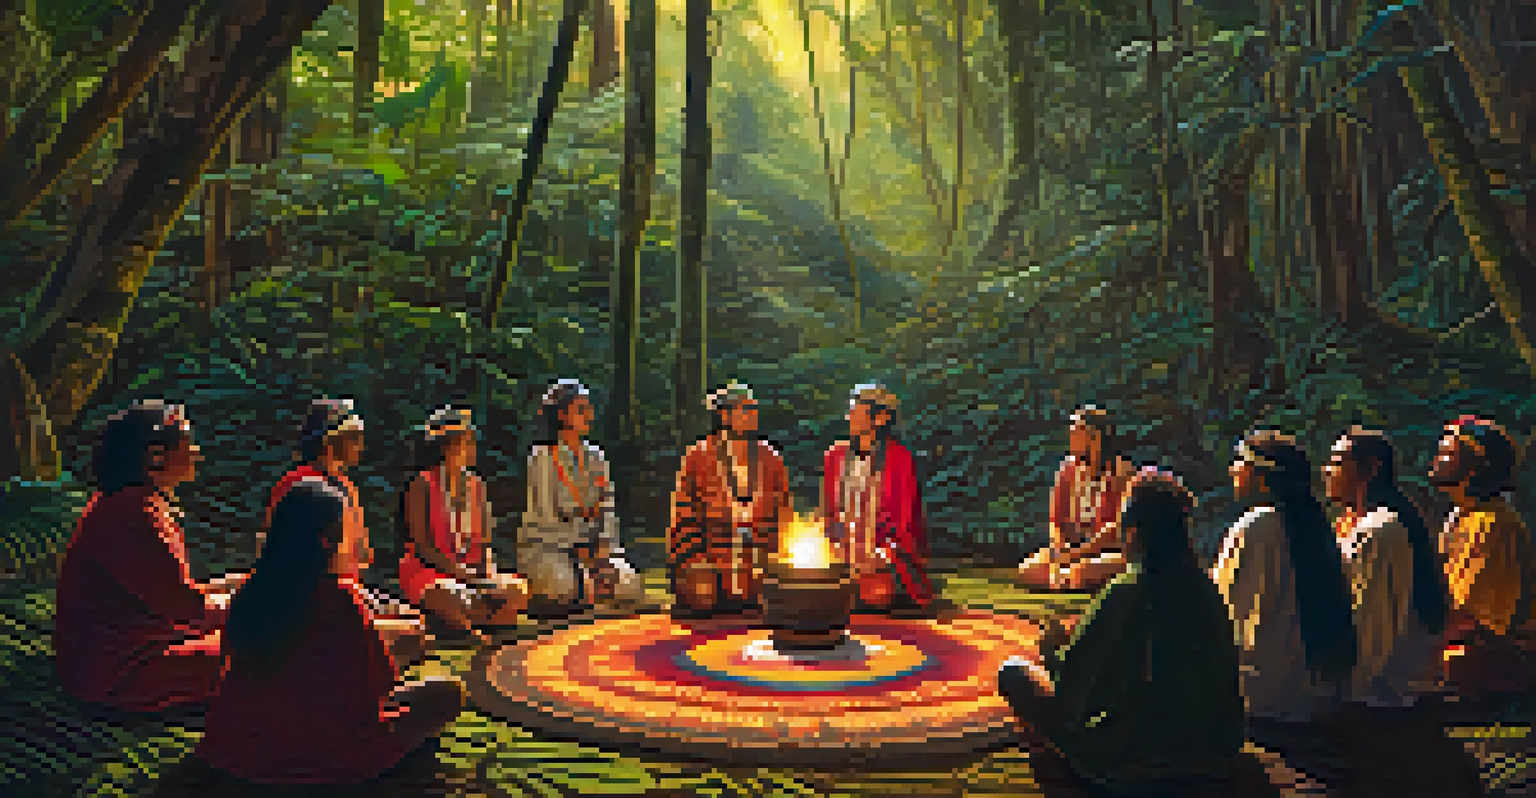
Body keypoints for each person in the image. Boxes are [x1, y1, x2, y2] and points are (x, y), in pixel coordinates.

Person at [199, 479, 463, 784]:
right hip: (319, 751)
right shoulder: (339, 598)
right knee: (447, 693)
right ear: (327, 539)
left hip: (240, 744)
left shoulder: (252, 590)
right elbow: (380, 684)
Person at [997, 470, 1244, 794]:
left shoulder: (1126, 591)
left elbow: (1073, 692)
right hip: (1213, 759)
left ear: (1134, 531)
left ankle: (1058, 770)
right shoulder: (1207, 591)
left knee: (1014, 673)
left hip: (1128, 763)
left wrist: (1052, 650)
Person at [54, 400, 248, 712]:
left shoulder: (128, 504)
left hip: (129, 653)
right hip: (121, 673)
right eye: (188, 442)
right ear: (155, 457)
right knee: (269, 646)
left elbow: (172, 596)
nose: (197, 451)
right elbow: (186, 608)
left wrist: (236, 586)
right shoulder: (135, 515)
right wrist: (254, 601)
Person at [1209, 430, 1356, 726]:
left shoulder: (1255, 527)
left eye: (1240, 461)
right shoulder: (1315, 528)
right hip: (1310, 691)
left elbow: (1222, 611)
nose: (1232, 469)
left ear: (1261, 475)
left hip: (1264, 694)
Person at [1322, 427, 1448, 709]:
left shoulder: (1381, 530)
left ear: (1372, 468)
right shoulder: (1355, 523)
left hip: (1382, 689)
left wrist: (1354, 695)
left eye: (1338, 462)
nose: (1327, 471)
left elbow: (1371, 622)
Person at [1431, 415, 1536, 700]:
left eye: (1448, 453)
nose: (1437, 459)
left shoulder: (1493, 523)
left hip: (1495, 652)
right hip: (1467, 639)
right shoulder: (1458, 516)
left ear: (1478, 465)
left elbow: (1470, 619)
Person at [398, 406, 527, 637]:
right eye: (467, 441)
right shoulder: (422, 484)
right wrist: (463, 574)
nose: (473, 448)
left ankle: (462, 618)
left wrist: (488, 576)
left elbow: (485, 543)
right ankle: (470, 616)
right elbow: (423, 548)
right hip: (433, 573)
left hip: (474, 574)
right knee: (451, 595)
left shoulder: (477, 485)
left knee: (517, 590)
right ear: (447, 446)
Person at [518, 381, 643, 617]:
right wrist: (580, 551)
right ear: (562, 414)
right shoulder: (542, 457)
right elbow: (545, 517)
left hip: (595, 549)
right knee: (560, 585)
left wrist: (603, 546)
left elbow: (607, 507)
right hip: (551, 548)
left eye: (589, 408)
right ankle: (580, 591)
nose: (589, 415)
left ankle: (590, 591)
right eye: (581, 409)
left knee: (629, 584)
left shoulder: (596, 456)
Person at [669, 382, 792, 616]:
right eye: (745, 409)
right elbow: (684, 514)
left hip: (758, 556)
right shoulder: (698, 456)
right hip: (714, 554)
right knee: (701, 592)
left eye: (754, 409)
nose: (753, 415)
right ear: (724, 414)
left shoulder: (771, 458)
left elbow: (784, 514)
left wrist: (780, 556)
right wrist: (695, 558)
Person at [821, 384, 933, 611]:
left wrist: (880, 553)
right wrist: (834, 545)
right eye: (850, 411)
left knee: (877, 594)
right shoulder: (835, 456)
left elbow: (904, 521)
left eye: (856, 411)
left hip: (883, 551)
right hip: (841, 551)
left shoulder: (899, 458)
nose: (849, 417)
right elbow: (830, 513)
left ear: (879, 418)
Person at [1018, 405, 1137, 592]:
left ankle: (1074, 579)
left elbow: (1119, 528)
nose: (1072, 438)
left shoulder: (1121, 472)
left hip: (1107, 552)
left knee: (1095, 568)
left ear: (1095, 437)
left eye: (1077, 432)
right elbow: (1055, 523)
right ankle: (1071, 579)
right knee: (1029, 568)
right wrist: (1062, 548)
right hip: (1071, 552)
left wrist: (1081, 551)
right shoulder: (1066, 471)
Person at [262, 398, 370, 577]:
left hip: (344, 590)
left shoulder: (348, 487)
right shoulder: (299, 485)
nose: (360, 445)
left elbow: (361, 553)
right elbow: (283, 552)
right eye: (354, 437)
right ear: (331, 439)